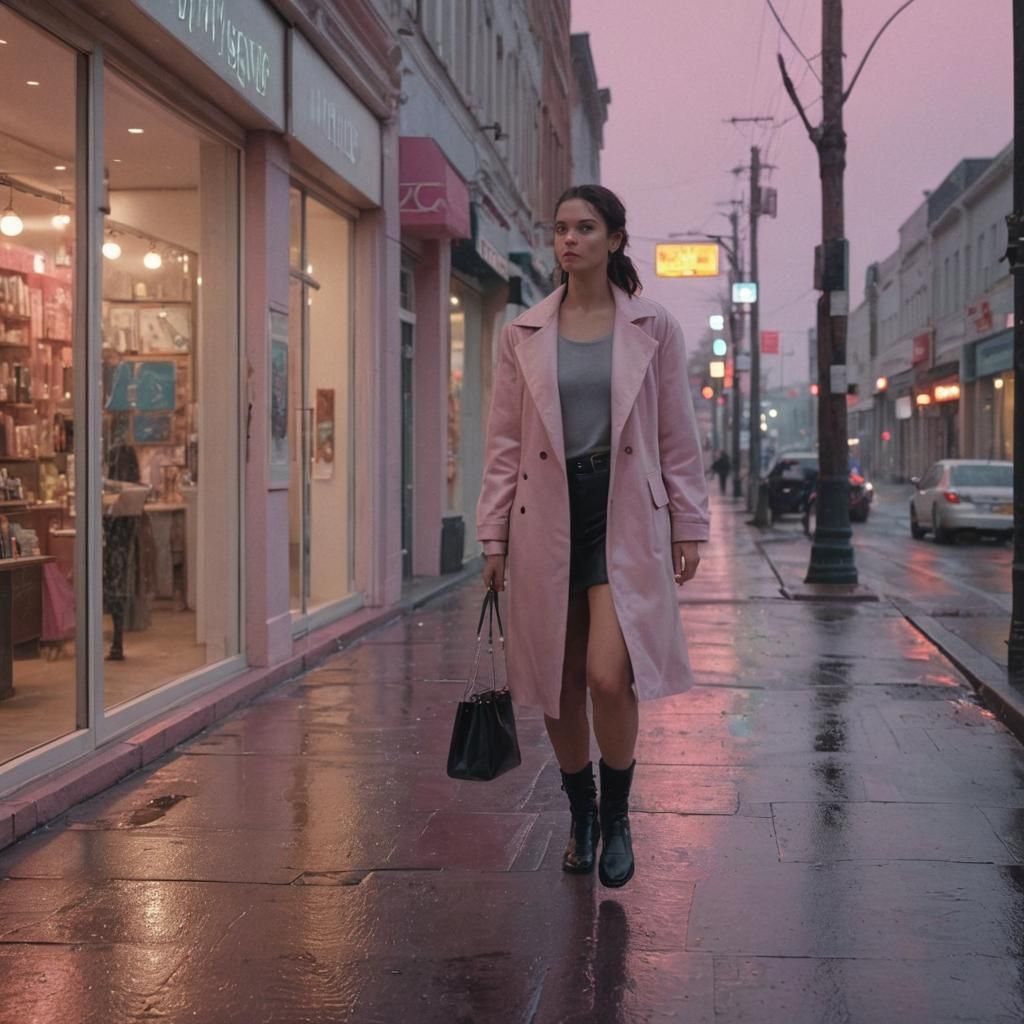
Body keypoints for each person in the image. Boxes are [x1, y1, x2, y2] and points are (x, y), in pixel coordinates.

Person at [477, 184, 709, 889]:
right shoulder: (522, 332)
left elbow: (676, 433)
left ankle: (617, 816)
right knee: (559, 680)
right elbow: (505, 443)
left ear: (614, 239)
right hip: (544, 516)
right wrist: (492, 537)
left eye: (585, 228)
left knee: (611, 675)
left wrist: (688, 521)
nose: (569, 239)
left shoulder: (653, 326)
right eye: (560, 229)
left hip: (624, 515)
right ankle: (579, 811)